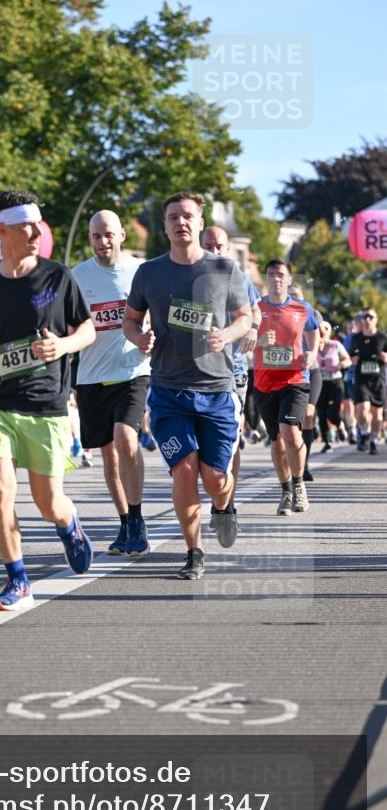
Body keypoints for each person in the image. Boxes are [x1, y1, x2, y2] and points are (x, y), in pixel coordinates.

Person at [0, 188, 96, 611]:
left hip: (45, 401)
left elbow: (87, 330)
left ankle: (68, 524)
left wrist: (65, 346)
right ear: (3, 231)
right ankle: (17, 578)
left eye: (38, 225)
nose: (37, 232)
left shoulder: (57, 276)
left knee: (47, 502)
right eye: (26, 227)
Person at [123, 191, 251, 580]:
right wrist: (138, 339)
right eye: (173, 217)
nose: (180, 222)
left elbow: (245, 318)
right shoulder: (149, 273)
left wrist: (225, 335)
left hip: (215, 388)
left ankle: (224, 506)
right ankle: (193, 552)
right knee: (184, 470)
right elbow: (130, 320)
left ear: (200, 222)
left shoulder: (225, 269)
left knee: (215, 479)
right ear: (164, 226)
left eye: (188, 216)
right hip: (167, 390)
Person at [72, 209, 151, 556]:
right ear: (89, 239)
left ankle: (137, 519)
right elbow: (67, 325)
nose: (102, 242)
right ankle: (124, 523)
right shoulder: (76, 277)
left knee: (126, 438)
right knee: (108, 454)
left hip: (132, 370)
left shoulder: (140, 272)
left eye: (108, 235)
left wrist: (153, 336)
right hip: (90, 376)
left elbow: (159, 313)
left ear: (121, 235)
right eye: (95, 236)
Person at [200, 225, 261, 531]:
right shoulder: (187, 273)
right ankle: (217, 493)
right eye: (209, 245)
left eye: (220, 245)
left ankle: (226, 503)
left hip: (232, 371)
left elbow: (256, 312)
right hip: (194, 372)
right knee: (201, 446)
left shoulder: (239, 276)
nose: (215, 250)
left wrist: (251, 328)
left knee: (231, 442)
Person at [253, 260, 319, 516]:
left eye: (281, 275)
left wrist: (311, 353)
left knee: (290, 432)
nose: (276, 279)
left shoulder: (302, 308)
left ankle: (299, 484)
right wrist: (259, 340)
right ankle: (286, 491)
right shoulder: (256, 309)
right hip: (264, 383)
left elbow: (313, 332)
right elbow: (241, 343)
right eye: (271, 274)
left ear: (289, 279)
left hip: (294, 380)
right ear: (266, 279)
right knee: (278, 442)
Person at [289, 283, 323, 481]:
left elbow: (321, 334)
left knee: (309, 414)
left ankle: (305, 462)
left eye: (297, 295)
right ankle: (296, 459)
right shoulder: (280, 312)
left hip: (312, 370)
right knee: (295, 422)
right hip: (290, 371)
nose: (295, 299)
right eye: (291, 295)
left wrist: (318, 344)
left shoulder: (310, 312)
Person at [349, 308, 387, 455]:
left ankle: (373, 440)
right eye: (365, 317)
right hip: (361, 378)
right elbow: (350, 356)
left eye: (371, 317)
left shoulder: (382, 337)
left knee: (377, 415)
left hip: (378, 379)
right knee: (362, 409)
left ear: (376, 319)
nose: (368, 320)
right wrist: (353, 359)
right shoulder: (356, 338)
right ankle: (364, 433)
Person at [316, 321, 351, 452]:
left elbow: (347, 360)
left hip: (335, 382)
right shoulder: (313, 346)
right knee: (321, 413)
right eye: (319, 332)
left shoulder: (336, 345)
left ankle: (340, 425)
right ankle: (327, 441)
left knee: (333, 412)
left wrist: (340, 365)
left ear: (329, 331)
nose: (321, 334)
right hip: (320, 383)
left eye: (324, 331)